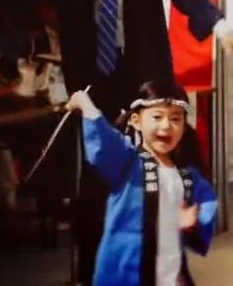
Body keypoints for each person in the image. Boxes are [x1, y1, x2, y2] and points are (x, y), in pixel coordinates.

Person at [0, 0, 233, 285]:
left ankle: (164, 271)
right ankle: (94, 271)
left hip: (146, 82)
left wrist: (219, 25)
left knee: (156, 177)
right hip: (93, 84)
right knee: (96, 183)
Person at [64, 81, 216, 286]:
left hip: (170, 274)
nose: (166, 125)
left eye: (175, 118)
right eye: (157, 116)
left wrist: (194, 223)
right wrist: (85, 104)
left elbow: (207, 203)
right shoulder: (127, 163)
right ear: (136, 121)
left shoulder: (188, 176)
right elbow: (105, 142)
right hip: (125, 273)